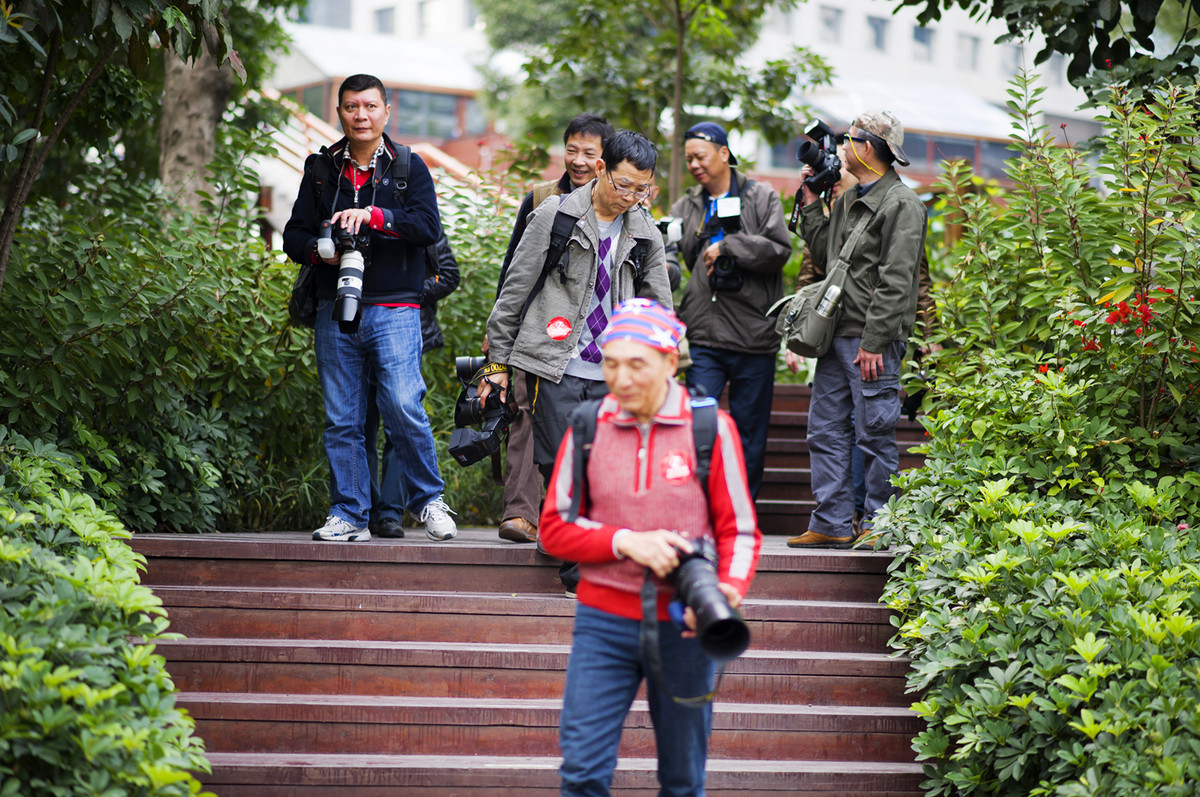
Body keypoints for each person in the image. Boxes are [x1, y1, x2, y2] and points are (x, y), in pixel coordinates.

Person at [539, 299, 762, 797]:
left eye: (636, 363)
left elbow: (740, 531)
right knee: (582, 774)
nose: (621, 377)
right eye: (611, 363)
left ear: (669, 361)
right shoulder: (587, 426)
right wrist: (624, 541)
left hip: (684, 625)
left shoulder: (710, 429)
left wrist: (726, 590)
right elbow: (553, 528)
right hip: (602, 624)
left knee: (683, 781)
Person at [282, 73, 457, 543]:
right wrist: (322, 250)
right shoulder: (321, 168)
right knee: (343, 417)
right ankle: (349, 513)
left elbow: (426, 226)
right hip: (334, 305)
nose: (361, 115)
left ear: (386, 111)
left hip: (396, 308)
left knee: (404, 404)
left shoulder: (408, 166)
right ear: (339, 112)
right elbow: (292, 236)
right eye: (351, 107)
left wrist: (376, 217)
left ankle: (429, 501)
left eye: (370, 106)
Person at [480, 129, 673, 485]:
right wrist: (498, 363)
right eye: (623, 185)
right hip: (555, 366)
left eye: (641, 189)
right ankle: (558, 538)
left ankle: (586, 539)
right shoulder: (555, 215)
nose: (630, 197)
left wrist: (662, 365)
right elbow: (514, 292)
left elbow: (659, 308)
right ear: (602, 168)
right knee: (558, 466)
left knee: (605, 470)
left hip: (616, 372)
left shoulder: (646, 231)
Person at [787, 110, 927, 549]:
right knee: (825, 431)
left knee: (873, 433)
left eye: (848, 140)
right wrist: (811, 201)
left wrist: (875, 342)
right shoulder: (850, 198)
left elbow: (897, 280)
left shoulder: (903, 205)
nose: (841, 148)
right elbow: (828, 254)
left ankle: (877, 523)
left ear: (867, 147)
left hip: (871, 341)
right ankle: (830, 521)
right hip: (836, 334)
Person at [487, 113, 616, 545]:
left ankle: (566, 520)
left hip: (592, 345)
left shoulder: (624, 208)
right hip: (535, 333)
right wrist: (498, 336)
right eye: (572, 150)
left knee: (579, 433)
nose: (578, 161)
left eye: (589, 153)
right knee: (524, 416)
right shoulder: (542, 199)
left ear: (605, 161)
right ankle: (521, 515)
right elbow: (515, 270)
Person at [668, 122, 792, 499]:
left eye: (700, 156)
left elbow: (778, 250)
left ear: (724, 153)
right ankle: (695, 507)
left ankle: (741, 509)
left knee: (747, 433)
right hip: (703, 334)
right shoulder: (686, 205)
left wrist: (730, 247)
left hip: (753, 335)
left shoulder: (761, 196)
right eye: (688, 158)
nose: (694, 165)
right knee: (697, 425)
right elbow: (671, 256)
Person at [364, 232, 461, 538]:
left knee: (400, 424)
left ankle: (390, 513)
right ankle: (365, 510)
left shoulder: (421, 223)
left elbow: (449, 274)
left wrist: (404, 294)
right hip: (357, 331)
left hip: (407, 332)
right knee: (360, 424)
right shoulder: (356, 218)